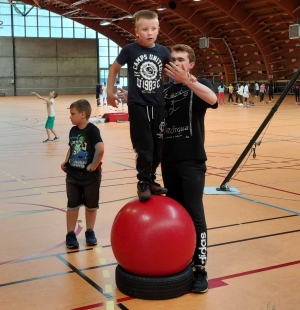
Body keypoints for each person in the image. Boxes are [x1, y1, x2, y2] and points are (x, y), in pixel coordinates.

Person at [117, 44, 218, 294]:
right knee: (175, 216)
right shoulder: (162, 90)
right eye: (172, 60)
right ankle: (176, 257)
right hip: (168, 162)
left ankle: (200, 268)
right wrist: (127, 97)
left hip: (192, 161)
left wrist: (188, 81)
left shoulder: (200, 83)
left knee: (194, 212)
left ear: (191, 64)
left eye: (182, 60)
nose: (177, 63)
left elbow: (213, 99)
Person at [107, 9, 171, 201]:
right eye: (145, 29)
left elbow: (171, 72)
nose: (149, 33)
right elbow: (114, 68)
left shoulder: (163, 51)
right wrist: (110, 91)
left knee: (158, 148)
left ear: (158, 29)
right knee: (144, 147)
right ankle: (143, 181)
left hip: (158, 106)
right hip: (138, 105)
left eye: (153, 29)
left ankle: (151, 179)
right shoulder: (130, 50)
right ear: (136, 31)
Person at [61, 99, 104, 249]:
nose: (70, 117)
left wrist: (94, 166)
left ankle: (90, 232)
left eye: (73, 114)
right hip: (72, 176)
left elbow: (100, 149)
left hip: (90, 177)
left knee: (91, 206)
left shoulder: (92, 130)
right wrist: (66, 161)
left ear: (83, 114)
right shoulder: (73, 131)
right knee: (72, 205)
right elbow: (71, 148)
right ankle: (70, 234)